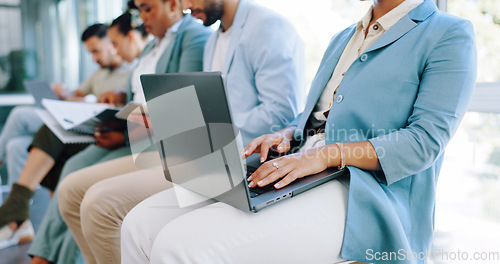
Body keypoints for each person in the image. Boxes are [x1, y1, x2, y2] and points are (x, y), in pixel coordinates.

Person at [121, 0, 477, 263]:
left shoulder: (447, 34)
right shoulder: (344, 37)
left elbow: (424, 142)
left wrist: (323, 155)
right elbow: (318, 118)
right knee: (137, 225)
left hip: (361, 188)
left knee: (178, 246)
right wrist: (288, 135)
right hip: (299, 165)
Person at [57, 0, 305, 263]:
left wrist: (207, 133)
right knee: (71, 190)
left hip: (233, 156)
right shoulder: (213, 39)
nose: (185, 5)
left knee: (99, 204)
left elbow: (280, 115)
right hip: (196, 146)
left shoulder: (268, 27)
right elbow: (212, 103)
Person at [27, 1, 213, 263]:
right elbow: (138, 93)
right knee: (70, 176)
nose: (141, 17)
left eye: (147, 9)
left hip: (155, 140)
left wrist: (126, 135)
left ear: (172, 5)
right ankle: (49, 254)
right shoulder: (151, 46)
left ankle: (45, 254)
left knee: (92, 198)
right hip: (134, 130)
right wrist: (119, 97)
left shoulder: (194, 36)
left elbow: (179, 104)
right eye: (139, 10)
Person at [0, 23, 134, 250]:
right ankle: (19, 222)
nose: (93, 58)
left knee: (21, 115)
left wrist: (83, 102)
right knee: (15, 145)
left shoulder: (131, 73)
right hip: (77, 123)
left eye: (96, 50)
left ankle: (15, 209)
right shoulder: (101, 73)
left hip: (99, 132)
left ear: (113, 44)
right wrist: (63, 93)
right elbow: (78, 94)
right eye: (89, 52)